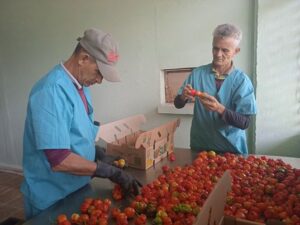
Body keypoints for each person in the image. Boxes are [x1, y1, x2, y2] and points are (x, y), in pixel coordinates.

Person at [21, 28, 141, 219]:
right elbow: (59, 159)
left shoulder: (81, 87)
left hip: (77, 187)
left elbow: (77, 131)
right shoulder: (51, 91)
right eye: (99, 72)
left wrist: (96, 153)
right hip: (52, 195)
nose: (100, 80)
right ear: (84, 58)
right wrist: (107, 171)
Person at [174, 23, 257, 155]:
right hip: (200, 147)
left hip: (231, 150)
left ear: (236, 51)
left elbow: (245, 122)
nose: (218, 54)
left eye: (225, 50)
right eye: (215, 48)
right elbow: (177, 104)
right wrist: (183, 97)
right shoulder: (197, 74)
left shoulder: (242, 81)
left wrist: (220, 109)